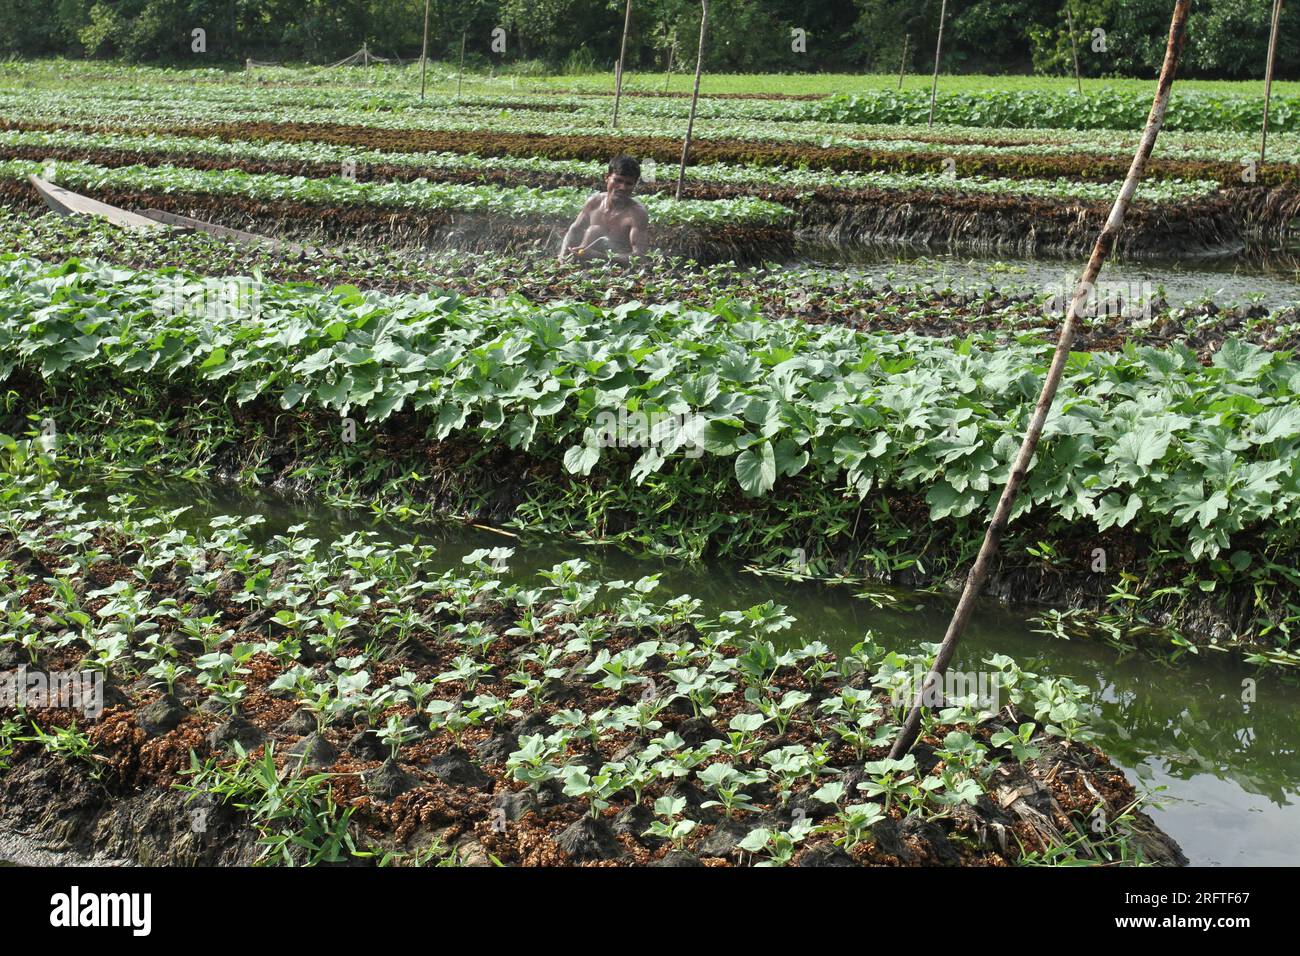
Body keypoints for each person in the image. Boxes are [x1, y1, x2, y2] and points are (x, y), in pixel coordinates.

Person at [558, 155, 649, 263]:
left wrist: (599, 257)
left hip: (617, 270)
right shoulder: (594, 203)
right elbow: (574, 230)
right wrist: (562, 257)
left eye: (628, 184)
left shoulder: (636, 214)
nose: (622, 188)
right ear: (607, 177)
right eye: (618, 181)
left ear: (634, 185)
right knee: (594, 230)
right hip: (583, 264)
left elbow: (639, 256)